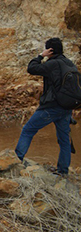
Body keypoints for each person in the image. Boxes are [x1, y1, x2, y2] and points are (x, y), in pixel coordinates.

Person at [15, 38, 75, 176]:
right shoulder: (69, 63)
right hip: (66, 108)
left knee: (28, 130)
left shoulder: (53, 64)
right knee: (64, 140)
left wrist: (41, 56)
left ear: (50, 50)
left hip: (52, 107)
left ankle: (16, 161)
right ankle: (63, 171)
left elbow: (31, 68)